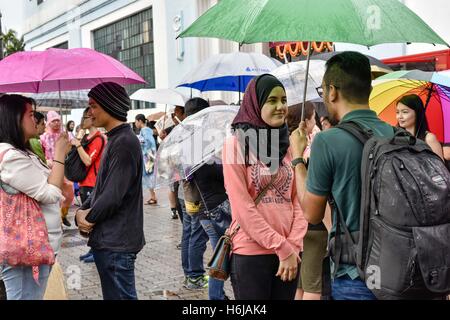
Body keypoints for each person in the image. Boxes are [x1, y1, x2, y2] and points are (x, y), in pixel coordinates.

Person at [290, 51, 394, 300]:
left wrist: (297, 158)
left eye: (322, 90)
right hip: (397, 271)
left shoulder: (328, 141)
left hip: (355, 274)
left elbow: (311, 212)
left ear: (333, 91)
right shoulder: (395, 134)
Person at [222, 74, 308, 300]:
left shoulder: (290, 145)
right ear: (256, 103)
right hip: (251, 254)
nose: (281, 107)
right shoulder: (236, 145)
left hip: (290, 254)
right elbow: (242, 207)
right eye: (272, 100)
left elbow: (299, 200)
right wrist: (281, 246)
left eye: (284, 100)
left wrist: (293, 245)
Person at [75, 82, 145, 300]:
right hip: (110, 240)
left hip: (117, 242)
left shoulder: (124, 142)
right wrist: (80, 213)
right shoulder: (115, 139)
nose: (90, 113)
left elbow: (112, 196)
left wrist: (89, 218)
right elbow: (100, 188)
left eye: (93, 106)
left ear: (109, 105)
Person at [0, 94, 70, 300]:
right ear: (13, 118)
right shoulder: (10, 156)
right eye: (30, 114)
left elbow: (50, 186)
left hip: (37, 247)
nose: (35, 119)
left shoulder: (22, 152)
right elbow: (48, 194)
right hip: (26, 249)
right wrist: (59, 154)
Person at [183, 98, 231, 299]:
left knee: (220, 256)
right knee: (223, 258)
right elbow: (215, 174)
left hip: (208, 208)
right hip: (214, 208)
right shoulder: (200, 143)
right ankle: (216, 296)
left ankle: (218, 295)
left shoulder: (192, 141)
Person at [286, 103, 329, 301]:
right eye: (314, 118)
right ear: (306, 120)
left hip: (292, 223)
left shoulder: (283, 146)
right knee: (312, 284)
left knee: (301, 283)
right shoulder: (310, 150)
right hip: (313, 222)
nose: (316, 122)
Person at [72, 107, 106, 264]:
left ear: (91, 118)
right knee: (87, 215)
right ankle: (93, 249)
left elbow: (87, 160)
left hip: (93, 182)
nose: (81, 121)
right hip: (84, 181)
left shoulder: (98, 139)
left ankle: (97, 250)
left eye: (84, 118)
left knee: (93, 218)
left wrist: (78, 145)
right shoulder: (87, 137)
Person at [40, 111, 74, 227]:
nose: (56, 123)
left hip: (66, 169)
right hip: (51, 171)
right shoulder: (43, 137)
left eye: (58, 120)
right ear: (48, 123)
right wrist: (46, 161)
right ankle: (57, 222)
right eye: (53, 121)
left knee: (69, 195)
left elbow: (73, 150)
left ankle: (63, 215)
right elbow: (41, 155)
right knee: (55, 195)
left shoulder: (66, 135)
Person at [396, 94, 444, 160]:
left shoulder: (429, 138)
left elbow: (440, 167)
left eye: (405, 112)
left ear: (417, 113)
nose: (399, 116)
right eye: (397, 112)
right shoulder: (397, 136)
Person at [135, 114, 158, 205]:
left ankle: (153, 197)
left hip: (148, 157)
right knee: (148, 176)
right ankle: (153, 196)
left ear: (140, 121)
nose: (135, 123)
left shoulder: (145, 131)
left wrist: (139, 140)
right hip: (149, 156)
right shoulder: (146, 130)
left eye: (136, 121)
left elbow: (148, 142)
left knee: (148, 177)